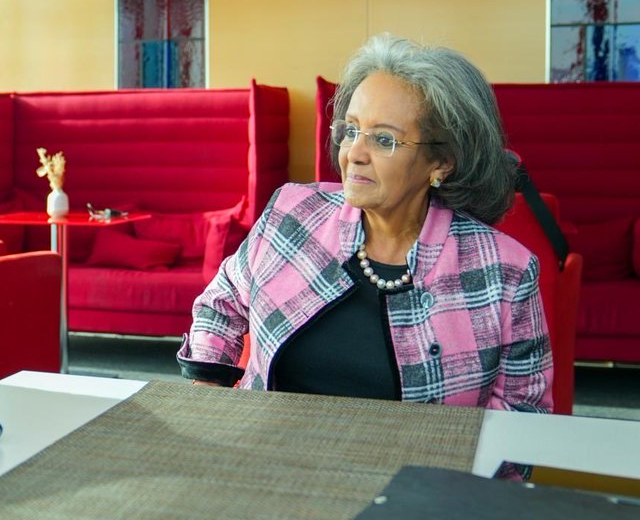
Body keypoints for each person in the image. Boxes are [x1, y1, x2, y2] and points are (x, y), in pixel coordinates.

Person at [177, 34, 553, 413]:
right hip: (267, 457)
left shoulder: (505, 271)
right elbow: (221, 302)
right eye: (351, 130)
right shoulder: (292, 214)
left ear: (442, 162)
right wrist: (210, 389)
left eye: (384, 139)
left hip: (415, 468)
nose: (354, 153)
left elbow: (523, 413)